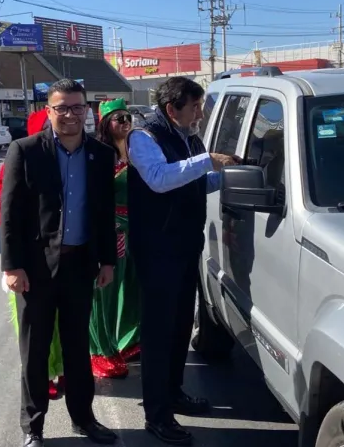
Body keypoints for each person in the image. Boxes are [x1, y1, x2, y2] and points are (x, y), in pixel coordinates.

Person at [0, 79, 118, 447]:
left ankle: (84, 419)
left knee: (77, 348)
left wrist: (107, 261)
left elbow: (105, 213)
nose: (70, 115)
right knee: (34, 351)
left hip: (80, 266)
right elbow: (10, 213)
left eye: (77, 107)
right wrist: (12, 266)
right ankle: (32, 428)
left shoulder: (101, 155)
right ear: (49, 111)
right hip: (35, 269)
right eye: (62, 108)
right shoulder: (25, 150)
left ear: (87, 111)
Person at [127, 77, 239, 445]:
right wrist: (207, 161)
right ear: (171, 108)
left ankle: (173, 392)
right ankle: (157, 415)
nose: (200, 113)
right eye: (195, 106)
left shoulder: (188, 137)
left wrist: (229, 175)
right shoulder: (144, 137)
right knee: (159, 334)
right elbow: (160, 180)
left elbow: (193, 183)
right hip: (157, 250)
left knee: (178, 328)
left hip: (185, 245)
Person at [0, 106, 66, 401]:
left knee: (64, 323)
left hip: (64, 259)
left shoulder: (71, 158)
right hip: (27, 259)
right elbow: (1, 208)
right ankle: (42, 376)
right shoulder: (21, 156)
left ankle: (63, 369)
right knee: (34, 330)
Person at [89, 98, 141, 378]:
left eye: (128, 117)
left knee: (131, 287)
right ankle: (100, 351)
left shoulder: (134, 151)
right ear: (105, 123)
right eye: (119, 118)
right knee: (105, 293)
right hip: (112, 231)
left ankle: (128, 340)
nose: (125, 122)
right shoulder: (100, 154)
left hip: (135, 230)